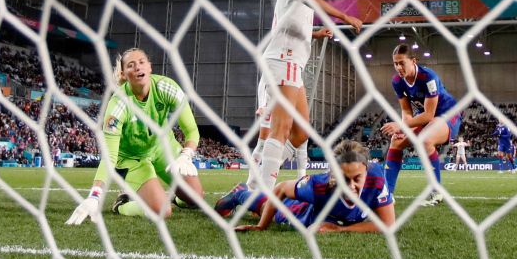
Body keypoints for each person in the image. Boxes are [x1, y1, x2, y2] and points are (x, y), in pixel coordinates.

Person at [255, 0, 361, 192]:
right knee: (281, 128)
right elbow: (310, 0)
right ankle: (261, 191)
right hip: (284, 59)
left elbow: (289, 24)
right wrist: (344, 16)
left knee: (301, 133)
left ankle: (259, 171)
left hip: (292, 63)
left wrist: (315, 35)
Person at [66, 48, 204, 224]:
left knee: (196, 198)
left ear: (149, 67)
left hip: (162, 146)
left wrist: (186, 155)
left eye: (141, 62)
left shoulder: (166, 87)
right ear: (124, 74)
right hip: (131, 158)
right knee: (162, 211)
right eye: (131, 65)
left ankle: (170, 196)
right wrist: (94, 196)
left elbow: (191, 129)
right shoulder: (118, 104)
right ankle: (122, 204)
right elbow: (109, 156)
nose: (138, 67)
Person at [216, 140, 395, 233]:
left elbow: (387, 225)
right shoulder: (319, 186)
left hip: (333, 221)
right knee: (266, 207)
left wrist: (339, 230)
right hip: (298, 212)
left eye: (357, 178)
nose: (351, 186)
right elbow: (281, 188)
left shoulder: (377, 178)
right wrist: (261, 227)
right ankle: (241, 193)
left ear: (366, 169)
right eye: (344, 180)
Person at [380, 44, 463, 207]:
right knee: (396, 142)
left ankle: (436, 191)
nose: (398, 67)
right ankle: (387, 193)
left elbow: (429, 115)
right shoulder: (397, 81)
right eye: (395, 63)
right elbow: (406, 110)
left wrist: (401, 126)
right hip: (424, 116)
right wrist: (403, 127)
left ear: (413, 61)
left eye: (401, 63)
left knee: (425, 140)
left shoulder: (428, 77)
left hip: (447, 114)